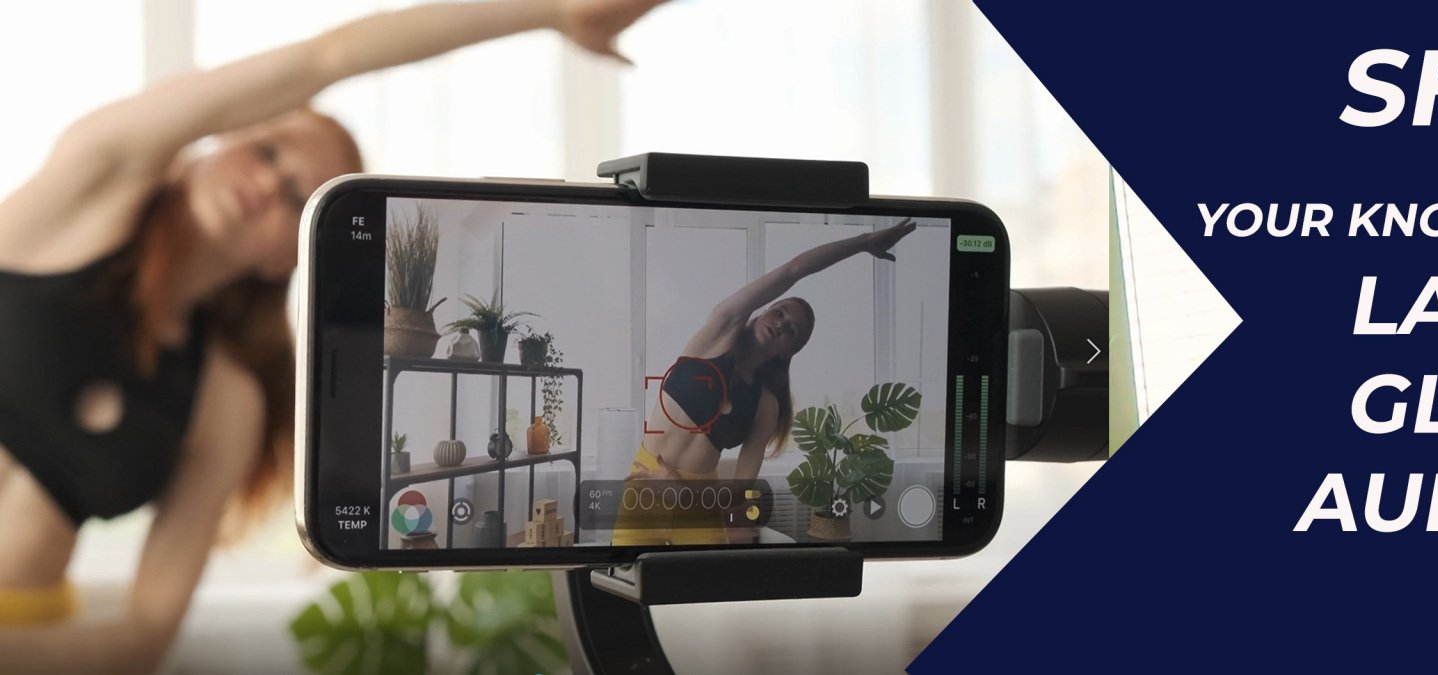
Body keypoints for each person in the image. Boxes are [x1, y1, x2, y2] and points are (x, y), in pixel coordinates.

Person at [0, 1, 665, 671]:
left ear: (289, 257)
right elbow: (327, 57)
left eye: (296, 197)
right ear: (221, 138)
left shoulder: (225, 403)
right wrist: (550, 10)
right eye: (264, 151)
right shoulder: (79, 193)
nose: (265, 184)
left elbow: (145, 635)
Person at [615, 219, 917, 546]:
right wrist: (862, 242)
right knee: (626, 590)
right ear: (762, 312)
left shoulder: (766, 405)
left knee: (702, 594)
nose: (782, 324)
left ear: (791, 351)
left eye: (793, 331)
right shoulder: (716, 334)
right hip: (646, 482)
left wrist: (681, 493)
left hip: (696, 502)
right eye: (780, 312)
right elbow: (793, 271)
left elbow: (740, 494)